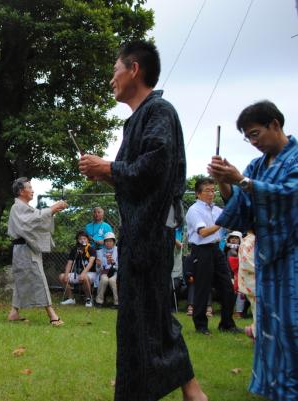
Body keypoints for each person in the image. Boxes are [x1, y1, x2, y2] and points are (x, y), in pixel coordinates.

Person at [78, 40, 207, 401]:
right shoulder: (136, 120)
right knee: (138, 315)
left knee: (151, 313)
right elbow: (131, 176)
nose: (111, 79)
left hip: (152, 232)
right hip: (137, 233)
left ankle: (191, 392)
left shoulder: (159, 111)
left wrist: (109, 168)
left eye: (115, 69)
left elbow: (156, 166)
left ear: (134, 69)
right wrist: (103, 173)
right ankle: (147, 390)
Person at [208, 100, 297, 401]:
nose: (254, 142)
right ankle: (276, 389)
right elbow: (242, 207)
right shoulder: (258, 166)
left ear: (275, 124)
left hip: (293, 258)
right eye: (248, 137)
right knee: (269, 324)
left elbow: (289, 195)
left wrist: (242, 181)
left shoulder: (295, 158)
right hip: (268, 258)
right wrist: (225, 184)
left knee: (292, 324)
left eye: (256, 134)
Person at [7, 177, 67, 326]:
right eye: (29, 187)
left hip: (27, 248)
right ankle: (52, 315)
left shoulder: (26, 208)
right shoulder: (17, 207)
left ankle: (14, 313)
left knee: (23, 280)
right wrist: (51, 208)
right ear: (21, 191)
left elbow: (37, 221)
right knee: (38, 278)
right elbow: (29, 223)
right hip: (24, 249)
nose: (32, 190)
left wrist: (53, 211)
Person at [185, 177, 239, 335]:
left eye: (212, 190)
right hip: (201, 251)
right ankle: (201, 325)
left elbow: (230, 222)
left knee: (228, 287)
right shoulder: (194, 210)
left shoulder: (217, 210)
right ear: (198, 194)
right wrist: (221, 223)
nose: (211, 194)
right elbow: (203, 232)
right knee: (203, 288)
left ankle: (227, 323)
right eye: (207, 191)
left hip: (216, 249)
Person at [59, 231, 97, 307]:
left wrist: (83, 273)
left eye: (84, 238)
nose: (82, 240)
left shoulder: (91, 249)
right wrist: (66, 275)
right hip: (78, 273)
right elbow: (70, 263)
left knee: (85, 278)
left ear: (87, 240)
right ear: (77, 240)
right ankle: (71, 298)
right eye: (80, 239)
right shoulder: (75, 250)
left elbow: (90, 263)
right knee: (62, 277)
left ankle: (88, 299)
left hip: (91, 273)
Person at [95, 232, 119, 308]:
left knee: (112, 280)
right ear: (104, 242)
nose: (108, 243)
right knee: (104, 279)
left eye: (110, 241)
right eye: (106, 241)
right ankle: (99, 301)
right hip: (104, 272)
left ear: (114, 242)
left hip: (115, 272)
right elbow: (98, 269)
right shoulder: (100, 251)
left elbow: (121, 266)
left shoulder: (118, 250)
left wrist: (113, 263)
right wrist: (99, 265)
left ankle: (117, 302)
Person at [224, 231, 243, 318]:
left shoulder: (244, 250)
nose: (234, 240)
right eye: (232, 238)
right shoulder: (227, 250)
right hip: (229, 276)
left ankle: (239, 312)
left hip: (242, 276)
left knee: (240, 291)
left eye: (236, 238)